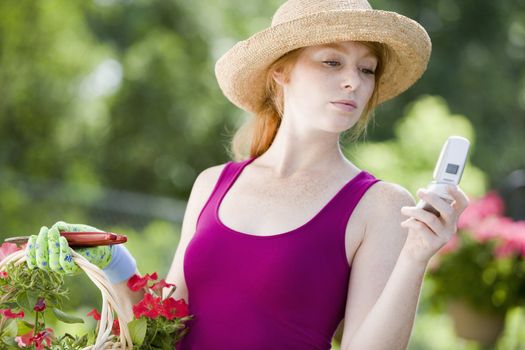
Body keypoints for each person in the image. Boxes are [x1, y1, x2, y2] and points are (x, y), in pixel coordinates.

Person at [26, 0, 470, 349]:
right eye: (332, 62)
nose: (354, 81)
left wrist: (415, 258)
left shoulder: (378, 204)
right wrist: (111, 261)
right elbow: (163, 328)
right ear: (281, 72)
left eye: (366, 68)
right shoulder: (213, 185)